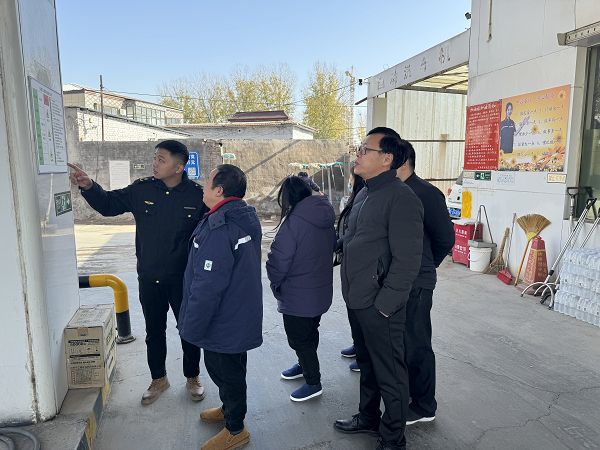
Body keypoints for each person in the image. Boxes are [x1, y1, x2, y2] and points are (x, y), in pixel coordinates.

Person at [67, 140, 207, 405]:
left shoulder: (197, 196)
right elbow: (109, 205)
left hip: (183, 280)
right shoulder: (142, 189)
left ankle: (192, 376)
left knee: (189, 330)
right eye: (155, 158)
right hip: (149, 278)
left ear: (179, 167)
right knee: (154, 331)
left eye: (161, 159)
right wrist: (89, 186)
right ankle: (159, 379)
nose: (154, 163)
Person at [333, 130, 424, 450]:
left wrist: (385, 304)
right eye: (358, 148)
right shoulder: (365, 192)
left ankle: (393, 438)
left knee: (390, 372)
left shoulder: (402, 198)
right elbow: (359, 238)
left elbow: (408, 260)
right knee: (367, 363)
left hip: (380, 304)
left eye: (364, 149)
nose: (357, 154)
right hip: (357, 296)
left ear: (387, 158)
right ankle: (368, 417)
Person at [178, 164, 262, 450]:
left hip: (223, 318)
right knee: (230, 368)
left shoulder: (221, 227)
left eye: (207, 182)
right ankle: (228, 410)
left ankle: (236, 429)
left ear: (219, 190)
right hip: (235, 314)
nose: (203, 186)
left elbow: (207, 286)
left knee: (227, 373)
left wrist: (190, 326)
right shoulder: (236, 217)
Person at [395, 139, 455, 425]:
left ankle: (424, 405)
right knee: (401, 341)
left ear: (403, 162)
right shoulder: (392, 191)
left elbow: (445, 238)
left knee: (416, 341)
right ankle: (407, 393)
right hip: (396, 281)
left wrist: (426, 266)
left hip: (417, 282)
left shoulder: (426, 193)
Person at [266, 176, 336, 402]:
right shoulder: (324, 214)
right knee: (310, 331)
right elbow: (332, 246)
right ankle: (303, 365)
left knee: (299, 338)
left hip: (298, 293)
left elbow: (278, 261)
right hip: (319, 290)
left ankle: (313, 382)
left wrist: (275, 282)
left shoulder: (294, 221)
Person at [336, 165, 365, 372]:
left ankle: (365, 354)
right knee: (351, 308)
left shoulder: (365, 199)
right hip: (348, 261)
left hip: (359, 264)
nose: (349, 180)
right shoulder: (355, 198)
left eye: (351, 177)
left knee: (360, 310)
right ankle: (358, 345)